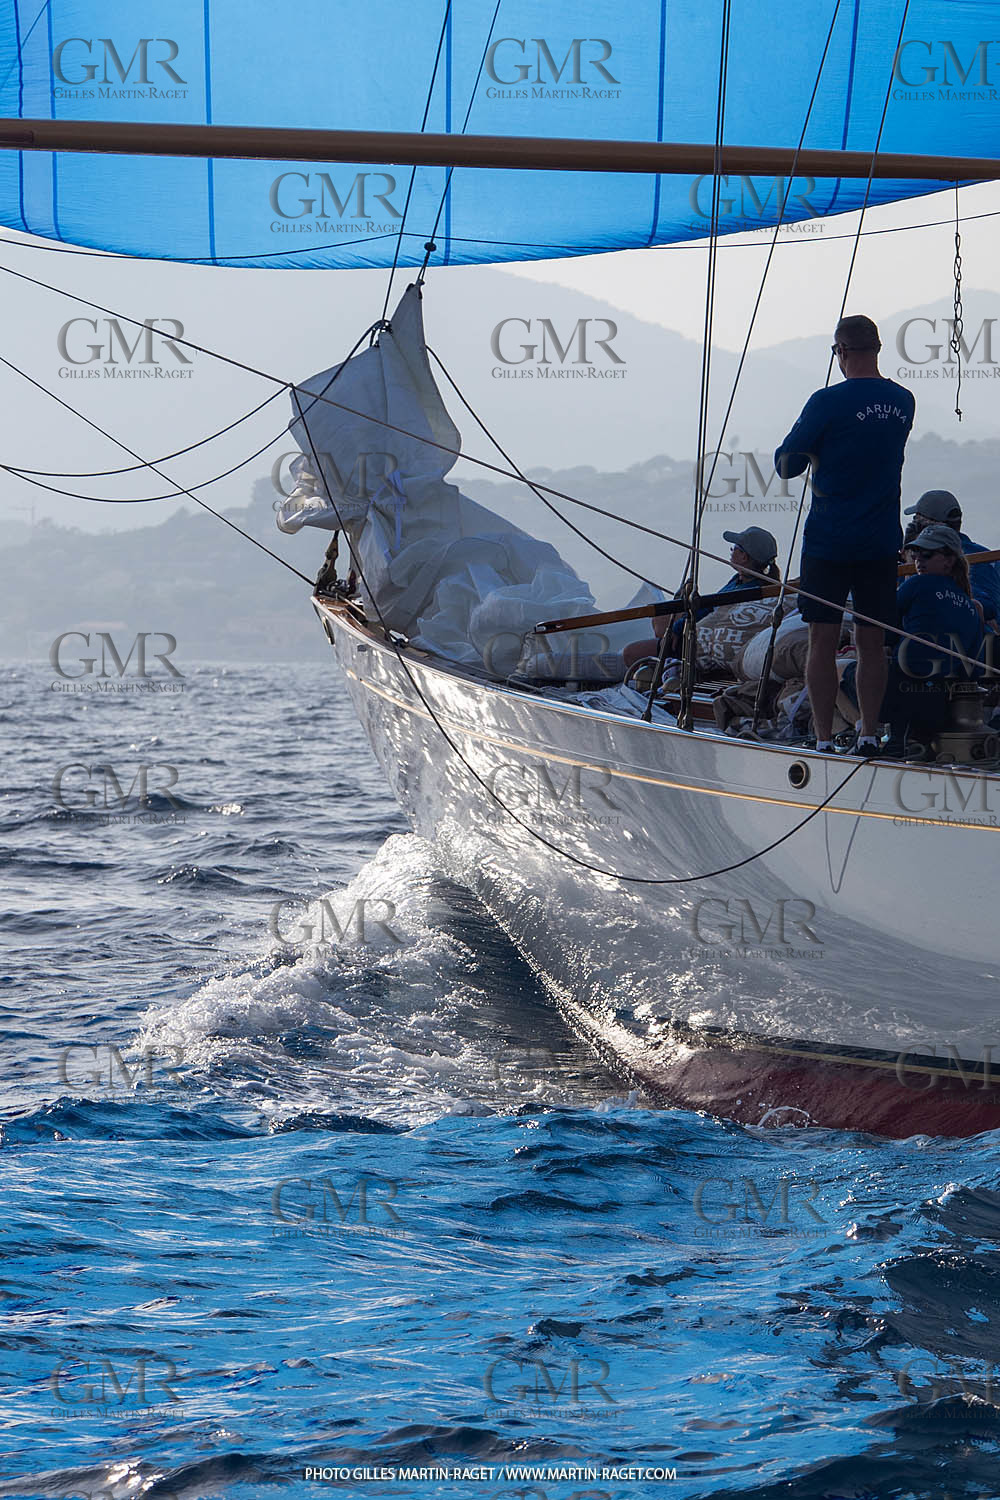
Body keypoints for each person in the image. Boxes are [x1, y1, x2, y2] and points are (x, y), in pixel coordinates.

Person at [774, 315, 915, 757]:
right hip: (880, 540)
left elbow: (786, 465)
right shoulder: (903, 401)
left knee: (823, 640)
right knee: (872, 643)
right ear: (877, 348)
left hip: (829, 540)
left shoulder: (826, 401)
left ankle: (822, 739)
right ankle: (869, 733)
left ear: (841, 351)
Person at [879, 523, 984, 758]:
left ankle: (862, 734)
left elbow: (883, 629)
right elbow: (972, 668)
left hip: (904, 698)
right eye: (915, 553)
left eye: (927, 554)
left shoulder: (917, 584)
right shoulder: (971, 607)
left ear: (949, 560)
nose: (918, 560)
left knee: (845, 671)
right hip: (941, 708)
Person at [623, 527, 779, 670]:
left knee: (629, 653)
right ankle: (664, 652)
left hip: (703, 638)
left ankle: (667, 655)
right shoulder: (741, 580)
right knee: (661, 618)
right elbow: (712, 607)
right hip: (706, 626)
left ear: (744, 556)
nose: (731, 551)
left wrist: (677, 629)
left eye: (734, 548)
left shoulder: (748, 591)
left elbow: (714, 612)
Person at [902, 488, 999, 625]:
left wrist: (909, 565)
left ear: (925, 524)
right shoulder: (988, 555)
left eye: (915, 518)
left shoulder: (930, 559)